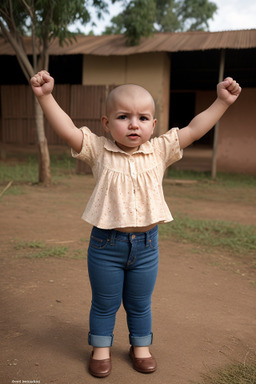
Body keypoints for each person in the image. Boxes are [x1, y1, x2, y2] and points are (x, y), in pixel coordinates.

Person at [30, 71, 241, 378]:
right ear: (106, 123)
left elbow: (195, 129)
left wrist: (222, 102)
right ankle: (101, 348)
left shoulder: (160, 149)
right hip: (105, 246)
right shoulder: (98, 149)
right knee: (105, 302)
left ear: (153, 126)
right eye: (123, 116)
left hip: (146, 246)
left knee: (140, 303)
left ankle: (140, 347)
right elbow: (67, 130)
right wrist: (45, 97)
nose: (133, 124)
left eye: (143, 118)